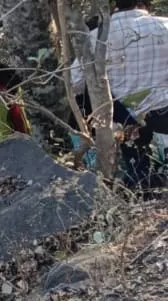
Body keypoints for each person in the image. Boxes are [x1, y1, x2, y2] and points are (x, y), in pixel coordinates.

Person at [71, 1, 168, 186]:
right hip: (164, 112)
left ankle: (140, 189)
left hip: (122, 118)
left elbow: (75, 83)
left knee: (139, 175)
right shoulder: (165, 25)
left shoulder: (95, 38)